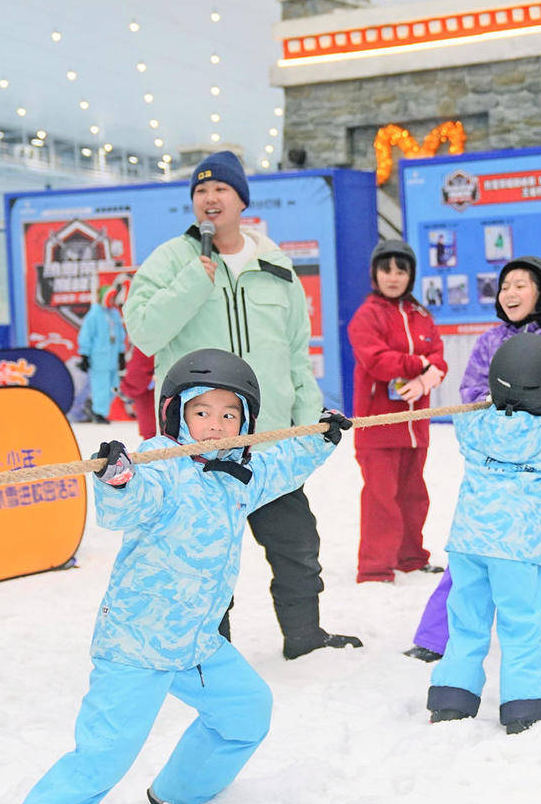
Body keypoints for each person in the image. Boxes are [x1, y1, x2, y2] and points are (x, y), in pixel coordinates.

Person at [0, 350, 352, 804]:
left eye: (230, 414)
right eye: (203, 412)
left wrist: (321, 439)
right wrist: (119, 478)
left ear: (245, 421)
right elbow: (126, 506)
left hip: (197, 642)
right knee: (101, 760)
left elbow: (281, 465)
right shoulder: (160, 464)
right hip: (137, 643)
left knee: (247, 713)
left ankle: (178, 793)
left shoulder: (240, 470)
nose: (216, 424)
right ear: (176, 414)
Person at [123, 151, 360, 659]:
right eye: (201, 191)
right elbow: (144, 334)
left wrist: (307, 423)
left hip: (268, 438)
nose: (210, 199)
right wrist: (193, 282)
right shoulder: (169, 261)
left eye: (221, 190)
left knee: (297, 546)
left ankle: (305, 638)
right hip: (199, 447)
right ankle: (213, 650)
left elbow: (297, 348)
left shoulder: (274, 263)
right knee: (205, 556)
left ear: (241, 201)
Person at [407, 257, 541, 663]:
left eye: (521, 285)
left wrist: (512, 392)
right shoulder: (488, 341)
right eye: (505, 285)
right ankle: (434, 639)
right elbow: (471, 390)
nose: (510, 292)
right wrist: (488, 399)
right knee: (475, 542)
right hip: (495, 469)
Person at [426, 334, 541, 734]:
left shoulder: (475, 423)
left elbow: (464, 416)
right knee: (521, 622)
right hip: (516, 549)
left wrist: (492, 403)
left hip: (467, 545)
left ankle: (452, 696)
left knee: (466, 620)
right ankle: (523, 701)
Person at [347, 239, 447, 583]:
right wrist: (419, 364)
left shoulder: (421, 315)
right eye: (386, 269)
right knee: (380, 498)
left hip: (414, 425)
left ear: (411, 275)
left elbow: (439, 354)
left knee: (414, 495)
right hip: (378, 425)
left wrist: (428, 377)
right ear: (375, 274)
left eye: (401, 270)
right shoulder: (367, 314)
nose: (393, 277)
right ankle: (375, 567)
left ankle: (410, 556)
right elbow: (376, 360)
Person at [75, 285, 126, 425]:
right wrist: (84, 355)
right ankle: (99, 412)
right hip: (98, 358)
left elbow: (120, 335)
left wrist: (121, 353)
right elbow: (85, 335)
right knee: (100, 386)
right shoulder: (94, 315)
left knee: (114, 386)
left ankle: (99, 409)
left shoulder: (114, 314)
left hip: (113, 358)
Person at [119, 346, 158, 441]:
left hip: (147, 390)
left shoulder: (145, 344)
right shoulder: (147, 346)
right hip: (148, 394)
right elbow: (136, 372)